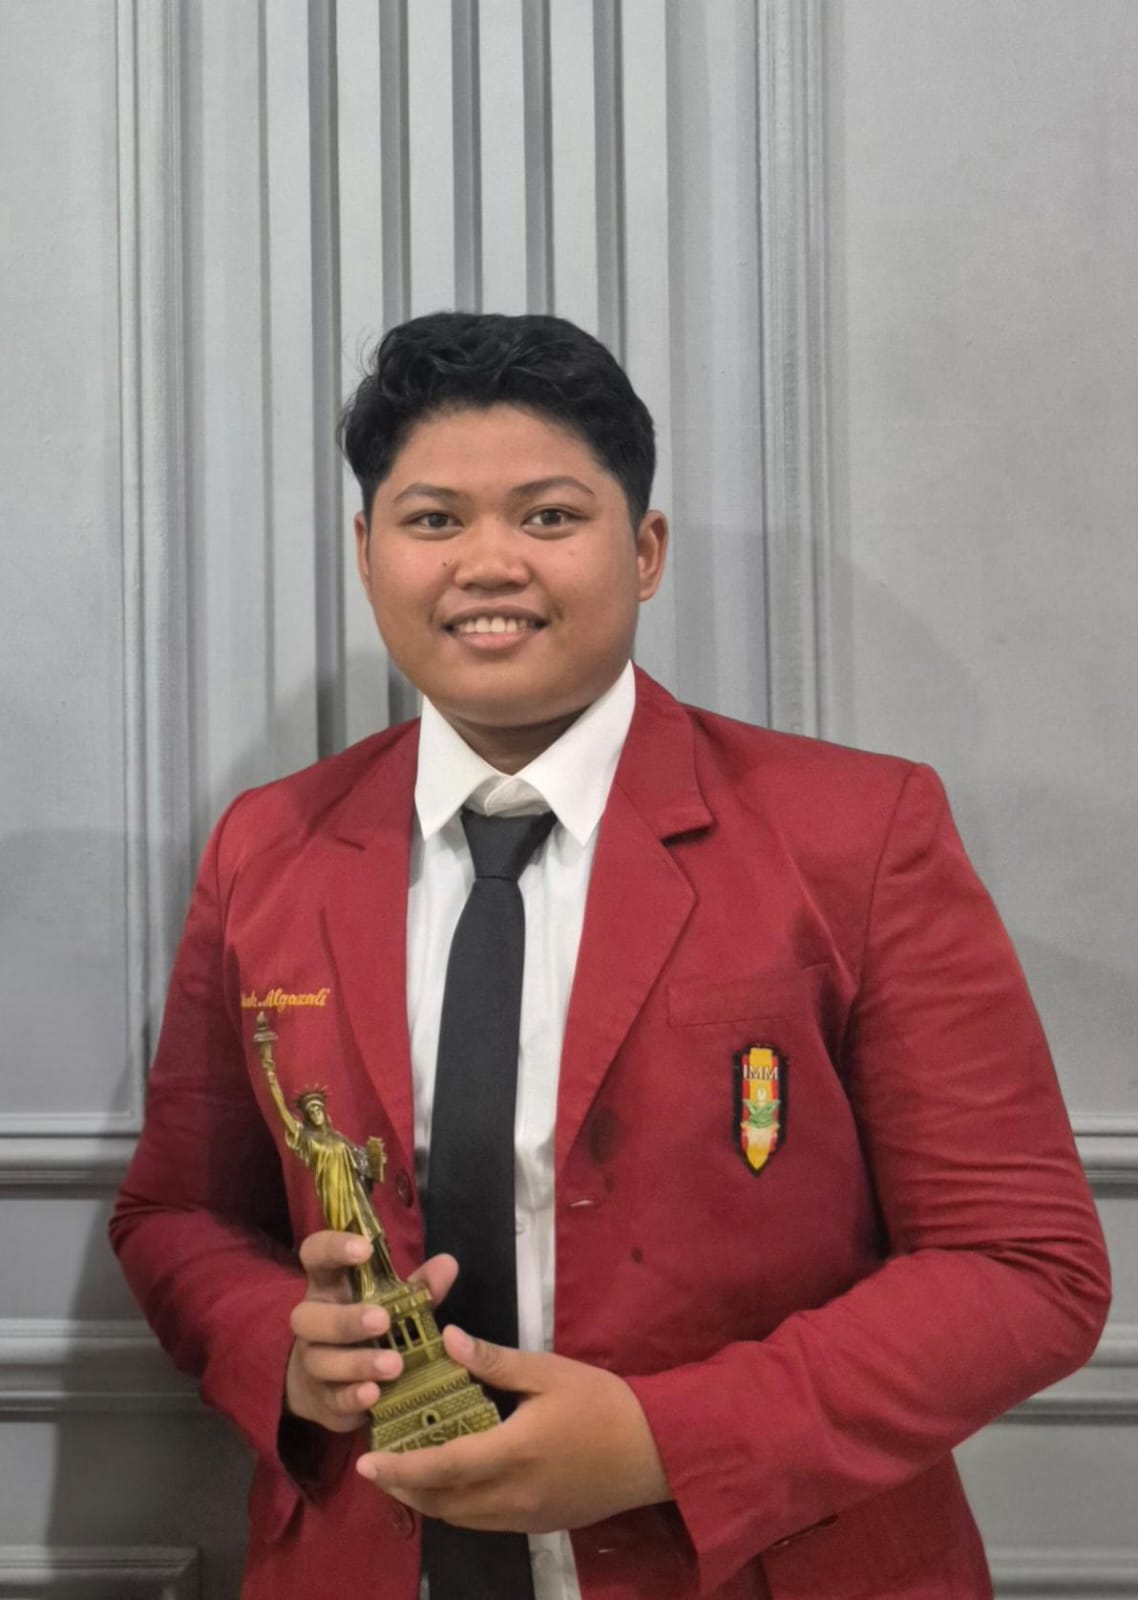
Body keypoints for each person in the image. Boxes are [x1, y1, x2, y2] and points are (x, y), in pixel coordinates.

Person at [110, 311, 1111, 1600]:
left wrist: (667, 1443)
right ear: (366, 555)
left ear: (643, 552)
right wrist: (288, 1357)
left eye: (548, 516)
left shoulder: (856, 834)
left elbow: (1023, 1268)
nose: (488, 564)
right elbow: (179, 1215)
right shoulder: (270, 846)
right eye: (432, 520)